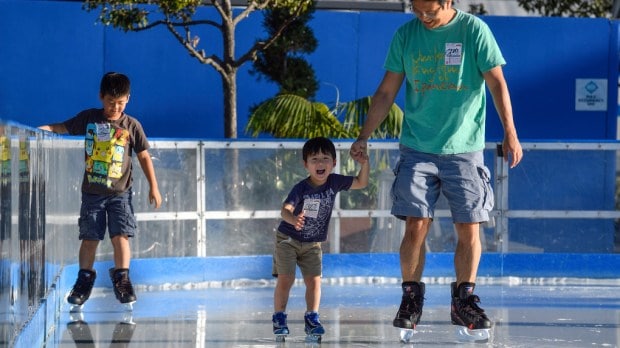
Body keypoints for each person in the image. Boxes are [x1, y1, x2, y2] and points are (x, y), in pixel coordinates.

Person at [349, 0, 523, 334]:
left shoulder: (474, 30)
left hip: (465, 148)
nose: (423, 17)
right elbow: (387, 91)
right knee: (415, 223)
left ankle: (464, 301)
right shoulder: (406, 35)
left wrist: (510, 133)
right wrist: (364, 135)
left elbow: (497, 82)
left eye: (429, 10)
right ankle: (411, 297)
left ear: (448, 2)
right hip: (418, 146)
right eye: (417, 9)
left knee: (469, 225)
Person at [39, 72, 162, 307]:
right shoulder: (90, 118)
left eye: (120, 103)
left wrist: (153, 187)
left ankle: (123, 278)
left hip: (120, 194)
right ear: (101, 97)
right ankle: (84, 280)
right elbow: (61, 127)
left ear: (128, 99)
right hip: (93, 195)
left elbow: (144, 156)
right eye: (110, 102)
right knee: (89, 238)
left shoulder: (131, 125)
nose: (115, 108)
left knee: (121, 236)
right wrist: (39, 130)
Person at [272, 137, 369, 338]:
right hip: (287, 239)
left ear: (334, 162)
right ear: (305, 164)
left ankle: (312, 317)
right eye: (314, 159)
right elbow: (285, 210)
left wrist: (364, 163)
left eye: (325, 158)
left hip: (312, 243)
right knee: (286, 278)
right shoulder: (301, 188)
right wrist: (293, 219)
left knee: (314, 281)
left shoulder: (334, 182)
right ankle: (279, 316)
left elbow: (361, 182)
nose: (320, 163)